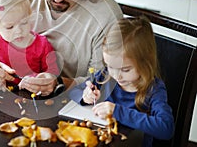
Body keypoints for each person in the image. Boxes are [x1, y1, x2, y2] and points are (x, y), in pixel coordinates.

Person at [69, 16, 175, 146]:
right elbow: (74, 92)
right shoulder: (104, 76)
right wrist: (85, 96)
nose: (116, 76)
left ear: (145, 63)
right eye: (111, 66)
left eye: (125, 70)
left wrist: (117, 112)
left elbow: (166, 129)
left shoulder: (154, 89)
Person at [0, 0, 59, 90]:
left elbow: (53, 72)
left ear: (30, 15)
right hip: (0, 96)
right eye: (10, 27)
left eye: (24, 22)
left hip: (32, 98)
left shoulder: (42, 44)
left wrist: (48, 79)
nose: (19, 31)